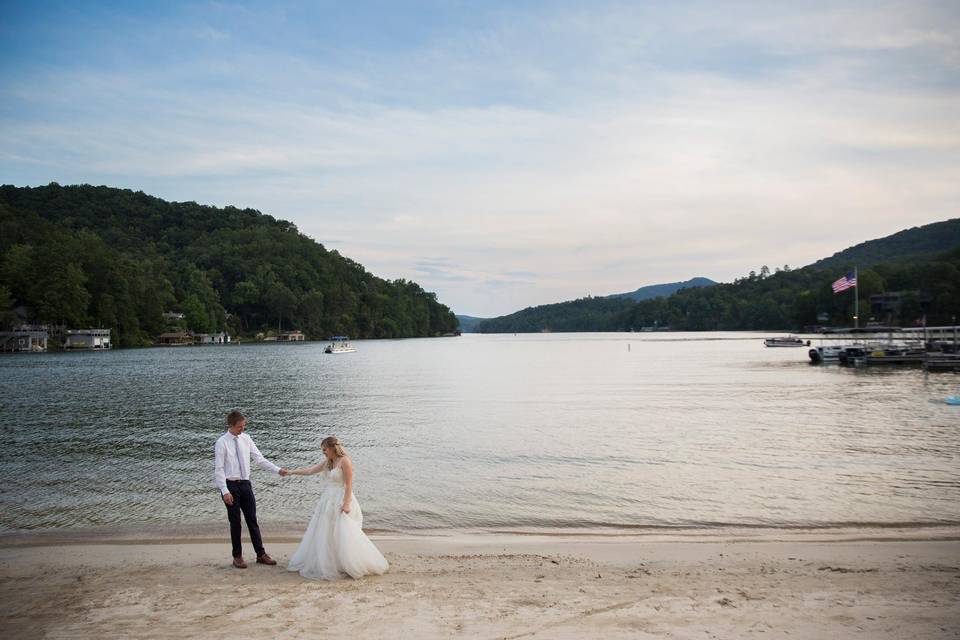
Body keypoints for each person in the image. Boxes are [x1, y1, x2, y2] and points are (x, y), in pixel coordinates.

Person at [286, 436, 389, 580]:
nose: (324, 453)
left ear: (333, 448)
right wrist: (291, 472)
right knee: (326, 532)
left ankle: (347, 563)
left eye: (325, 450)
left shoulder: (344, 460)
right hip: (328, 500)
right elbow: (310, 471)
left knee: (343, 532)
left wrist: (346, 504)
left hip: (341, 499)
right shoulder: (329, 462)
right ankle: (332, 561)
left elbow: (348, 485)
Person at [213, 410, 288, 569]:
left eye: (244, 426)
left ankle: (260, 554)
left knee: (252, 520)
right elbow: (219, 469)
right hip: (230, 485)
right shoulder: (222, 442)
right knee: (235, 523)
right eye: (240, 426)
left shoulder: (246, 439)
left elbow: (259, 459)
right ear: (231, 425)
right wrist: (224, 491)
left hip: (246, 484)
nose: (243, 429)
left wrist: (277, 470)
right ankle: (237, 556)